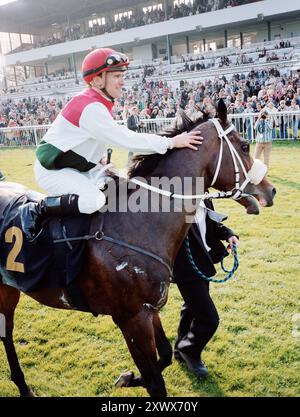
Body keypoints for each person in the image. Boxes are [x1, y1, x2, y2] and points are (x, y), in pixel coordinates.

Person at [19, 48, 203, 240]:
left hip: (78, 166)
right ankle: (37, 208)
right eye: (116, 76)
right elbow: (126, 139)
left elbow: (86, 139)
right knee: (94, 200)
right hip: (53, 171)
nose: (122, 81)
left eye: (122, 75)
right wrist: (172, 142)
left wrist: (98, 157)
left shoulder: (98, 101)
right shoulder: (90, 106)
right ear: (97, 80)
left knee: (123, 187)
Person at [173, 200, 239, 378]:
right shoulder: (177, 200)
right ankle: (189, 350)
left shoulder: (204, 197)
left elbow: (211, 224)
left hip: (203, 261)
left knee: (191, 308)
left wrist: (229, 235)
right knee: (209, 319)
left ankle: (179, 349)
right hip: (185, 267)